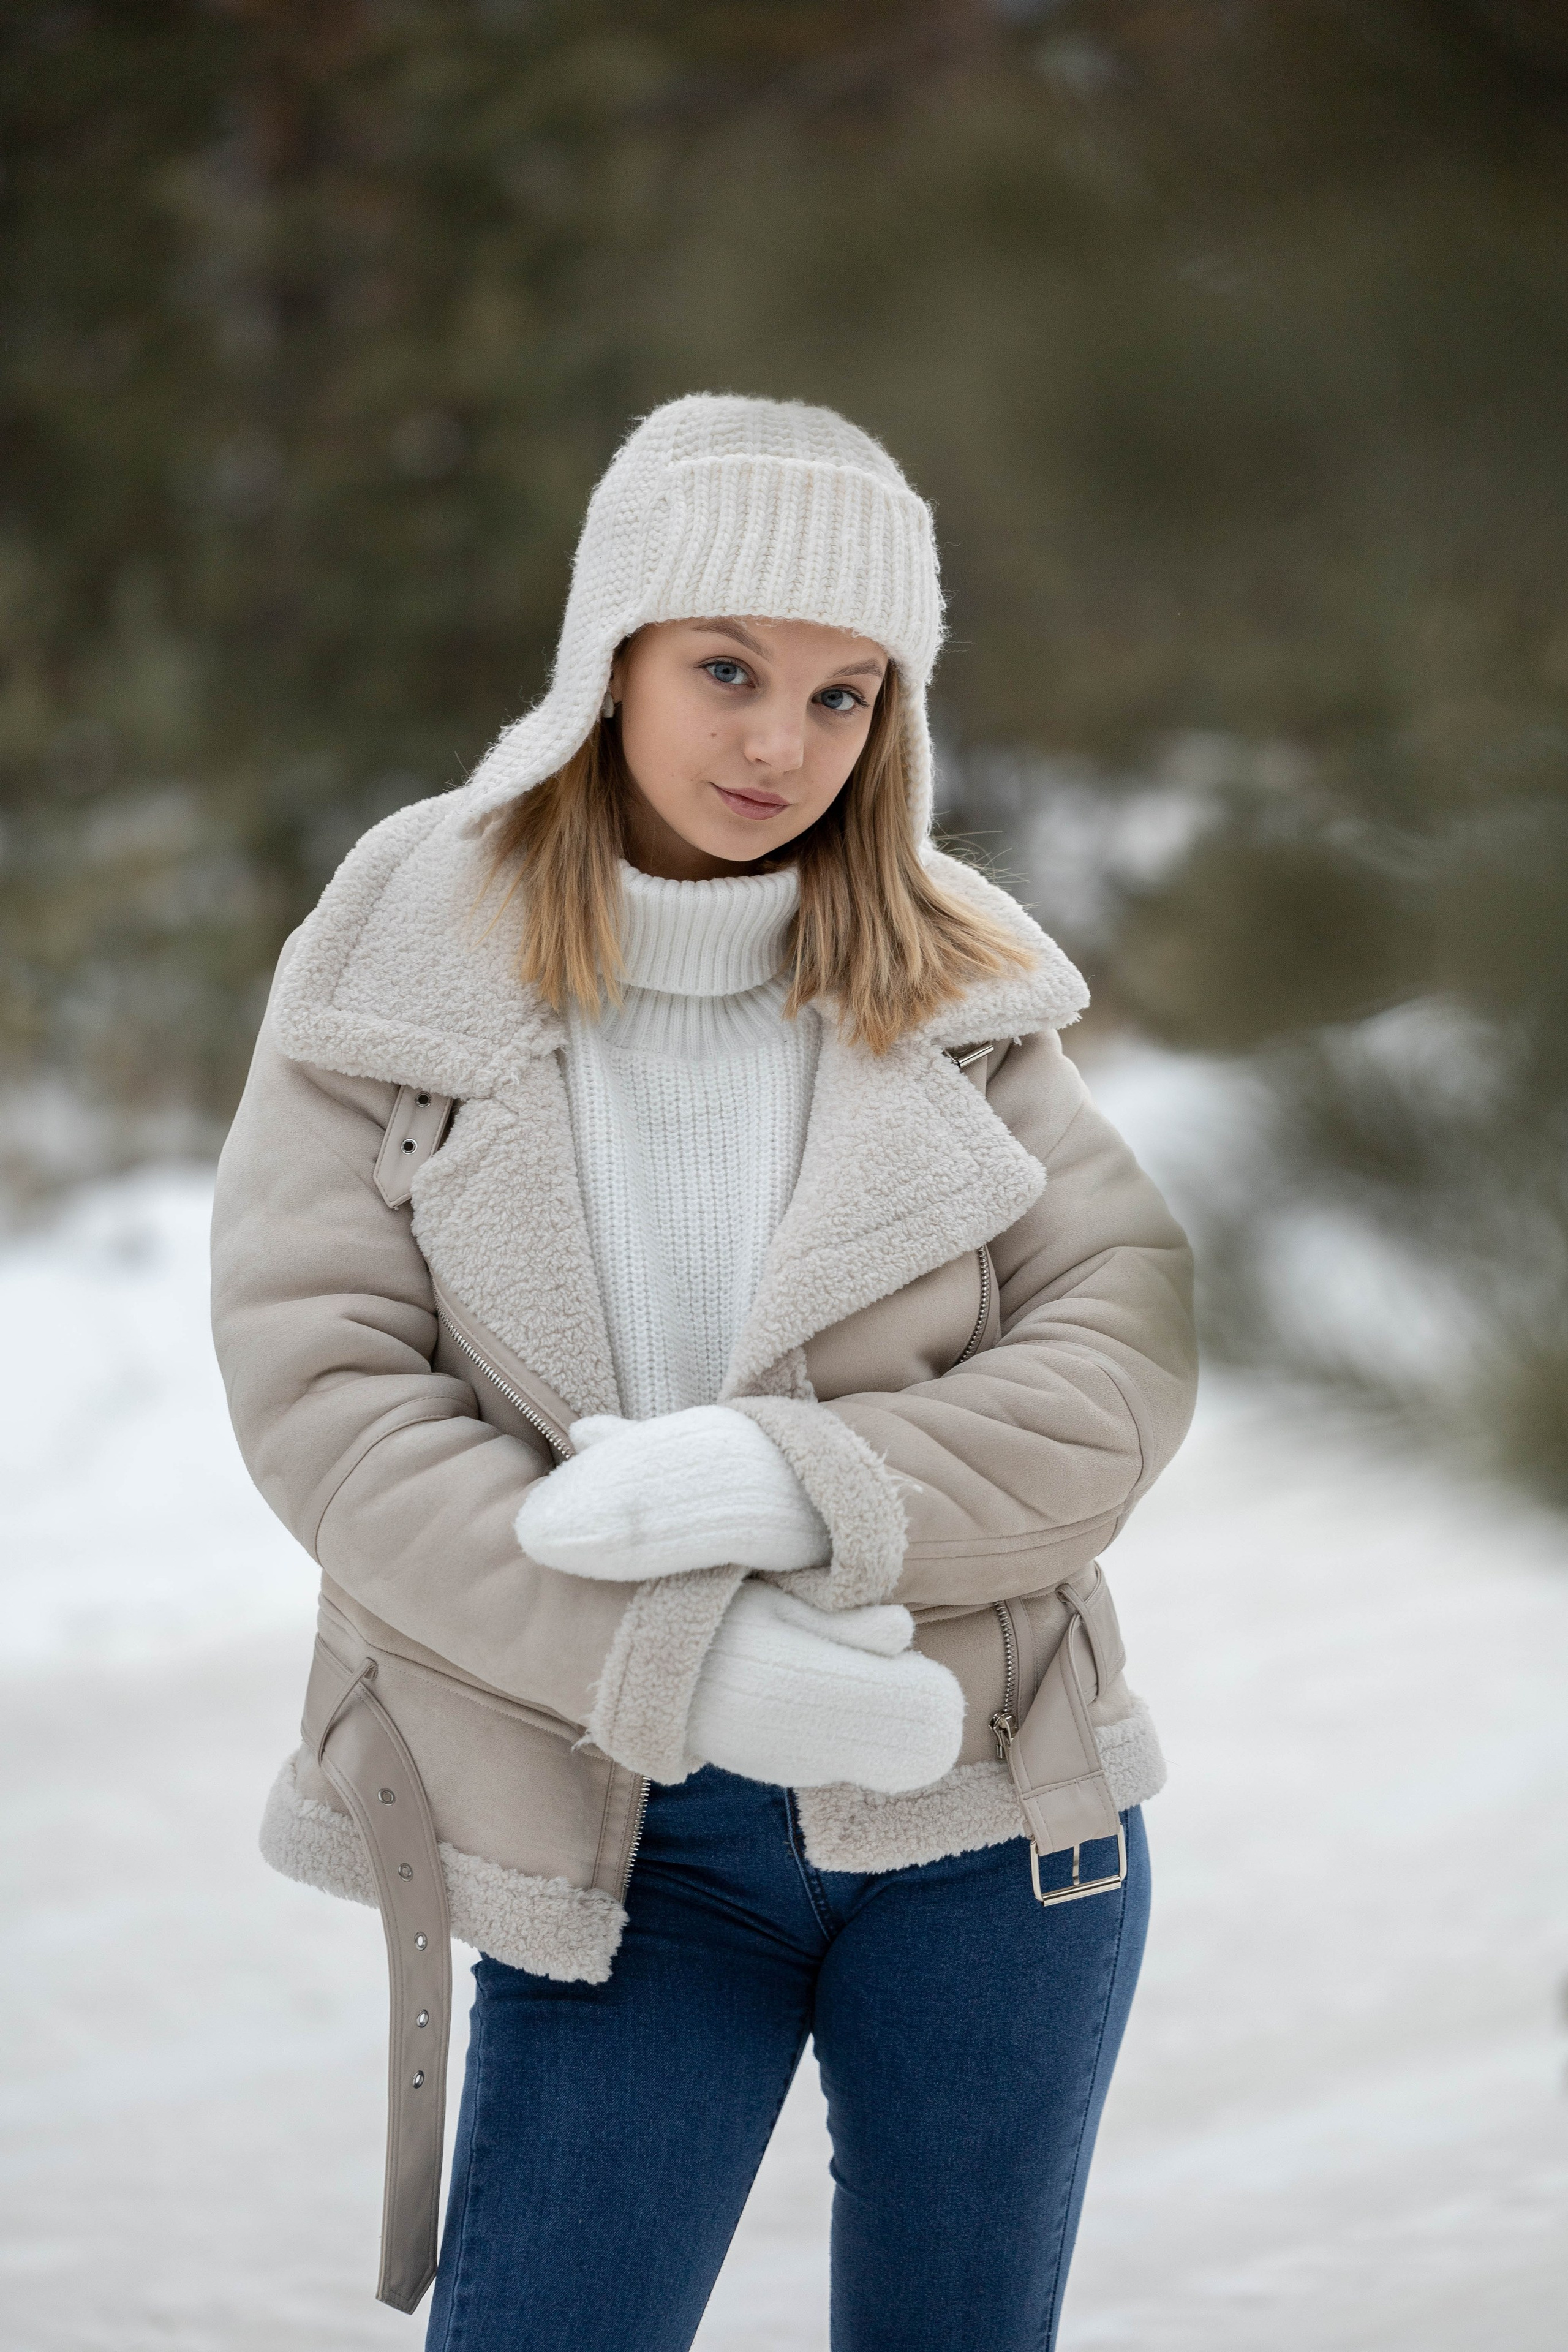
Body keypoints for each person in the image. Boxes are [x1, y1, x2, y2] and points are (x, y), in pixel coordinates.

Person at [211, 393, 1197, 2352]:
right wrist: (679, 1667)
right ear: (611, 660)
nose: (778, 742)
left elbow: (1119, 1349)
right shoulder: (398, 966)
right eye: (728, 668)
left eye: (844, 698)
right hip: (624, 1835)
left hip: (995, 1821)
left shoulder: (964, 983)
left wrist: (792, 1482)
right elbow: (326, 1399)